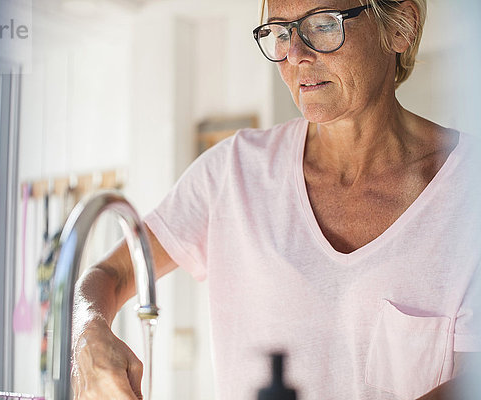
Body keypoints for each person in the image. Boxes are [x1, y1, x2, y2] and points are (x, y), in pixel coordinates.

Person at [71, 0, 481, 399]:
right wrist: (87, 335)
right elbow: (112, 275)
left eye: (323, 24)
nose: (296, 55)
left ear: (399, 28)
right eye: (280, 32)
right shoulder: (231, 173)